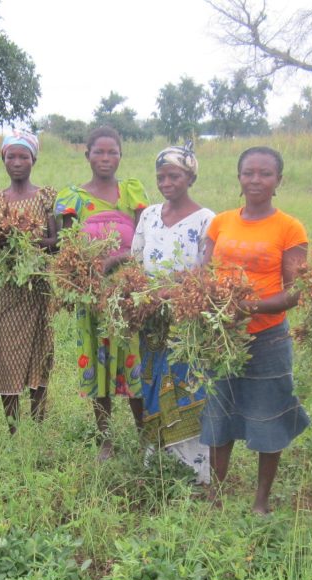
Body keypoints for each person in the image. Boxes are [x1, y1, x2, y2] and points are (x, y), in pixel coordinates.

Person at [200, 146, 309, 514]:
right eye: (248, 173)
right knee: (220, 413)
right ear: (239, 177)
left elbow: (295, 292)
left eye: (265, 174)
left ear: (279, 180)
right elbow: (202, 274)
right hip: (222, 337)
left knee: (269, 415)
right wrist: (211, 304)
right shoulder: (220, 222)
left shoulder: (289, 227)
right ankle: (215, 494)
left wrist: (247, 307)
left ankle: (260, 502)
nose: (256, 180)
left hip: (267, 338)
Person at [55, 126, 149, 459]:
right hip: (92, 295)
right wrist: (83, 275)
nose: (106, 158)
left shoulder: (131, 192)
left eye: (113, 152)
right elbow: (67, 249)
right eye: (99, 152)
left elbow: (144, 239)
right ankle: (105, 439)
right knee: (97, 362)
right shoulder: (73, 198)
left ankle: (144, 437)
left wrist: (116, 260)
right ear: (87, 155)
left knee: (133, 361)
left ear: (121, 156)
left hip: (128, 294)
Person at [132, 142, 214, 483]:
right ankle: (159, 466)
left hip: (186, 320)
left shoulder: (207, 219)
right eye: (161, 176)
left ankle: (193, 472)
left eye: (175, 175)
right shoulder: (150, 215)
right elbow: (136, 261)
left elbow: (206, 272)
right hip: (151, 320)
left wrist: (169, 292)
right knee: (152, 383)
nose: (167, 182)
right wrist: (138, 294)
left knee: (187, 385)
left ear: (190, 176)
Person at [0, 132, 57, 433]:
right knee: (5, 352)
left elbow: (57, 242)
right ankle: (12, 427)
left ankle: (38, 423)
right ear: (3, 159)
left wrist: (26, 241)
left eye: (23, 156)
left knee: (39, 350)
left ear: (34, 160)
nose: (17, 162)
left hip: (37, 287)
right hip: (5, 289)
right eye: (11, 156)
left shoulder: (46, 197)